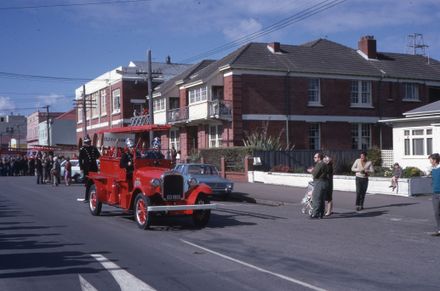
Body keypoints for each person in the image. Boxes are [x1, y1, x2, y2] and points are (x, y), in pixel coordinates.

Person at [307, 152, 329, 219]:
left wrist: (311, 171)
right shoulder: (324, 164)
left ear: (319, 158)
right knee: (321, 199)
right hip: (324, 183)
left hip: (319, 182)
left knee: (316, 199)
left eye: (315, 157)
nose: (314, 158)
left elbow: (315, 174)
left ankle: (315, 214)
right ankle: (321, 214)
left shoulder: (319, 164)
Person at [79, 136, 101, 201]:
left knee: (95, 183)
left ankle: (94, 196)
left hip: (94, 167)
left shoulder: (94, 148)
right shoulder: (82, 149)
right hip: (87, 168)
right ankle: (86, 198)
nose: (88, 143)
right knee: (88, 183)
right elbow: (80, 160)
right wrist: (81, 169)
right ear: (85, 142)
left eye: (89, 142)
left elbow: (98, 156)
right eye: (87, 142)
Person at [427, 153, 440, 236]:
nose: (430, 161)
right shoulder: (433, 169)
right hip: (435, 194)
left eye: (431, 160)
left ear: (435, 160)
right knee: (436, 212)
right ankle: (439, 230)